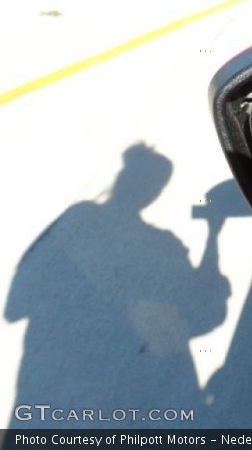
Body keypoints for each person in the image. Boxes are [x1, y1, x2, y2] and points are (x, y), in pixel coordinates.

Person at [5, 144, 230, 427]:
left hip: (60, 391)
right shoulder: (161, 245)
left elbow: (15, 307)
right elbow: (205, 304)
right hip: (138, 390)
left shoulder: (78, 219)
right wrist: (213, 235)